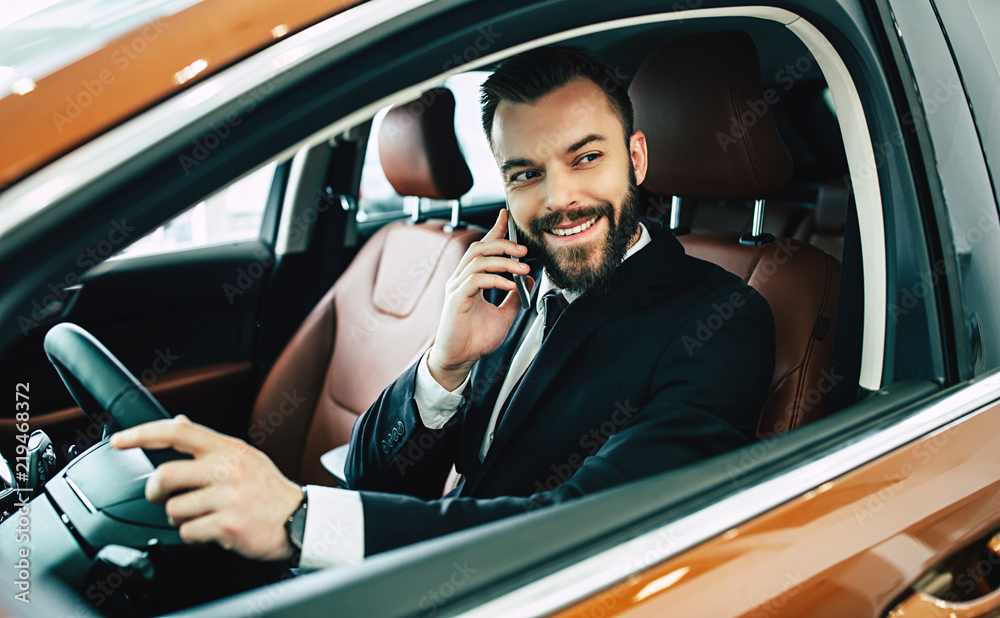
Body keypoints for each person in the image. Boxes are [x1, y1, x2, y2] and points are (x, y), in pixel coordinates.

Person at [111, 46, 775, 569]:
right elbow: (371, 474)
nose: (560, 198)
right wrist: (445, 366)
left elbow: (585, 525)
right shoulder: (502, 284)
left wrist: (299, 519)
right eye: (526, 173)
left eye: (587, 157)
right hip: (420, 561)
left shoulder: (720, 322)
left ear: (636, 158)